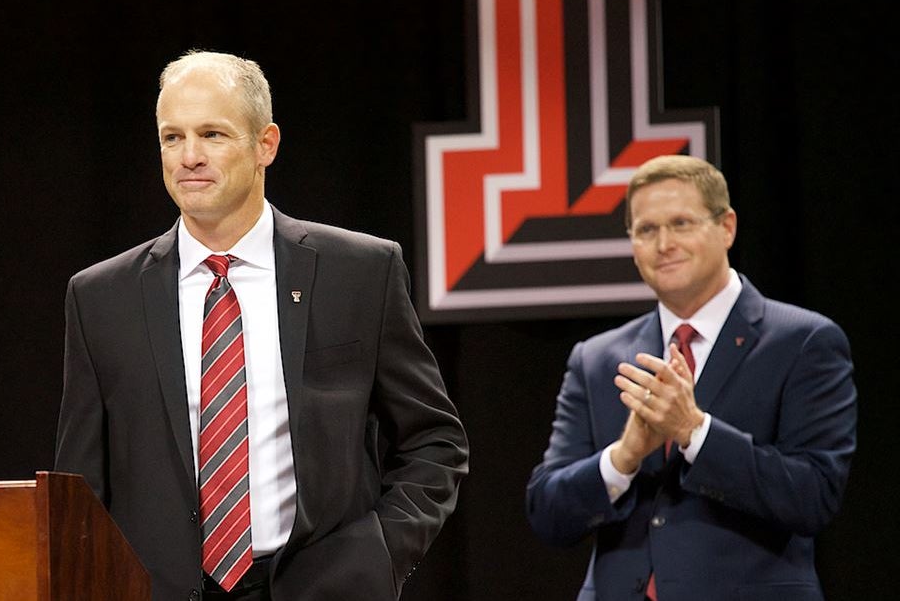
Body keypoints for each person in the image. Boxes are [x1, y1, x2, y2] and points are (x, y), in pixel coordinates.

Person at [54, 50, 469, 601]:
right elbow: (81, 489)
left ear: (265, 145)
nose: (189, 157)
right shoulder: (101, 297)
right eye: (172, 137)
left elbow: (433, 438)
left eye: (213, 134)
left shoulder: (360, 271)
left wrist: (379, 556)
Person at [526, 154, 856, 600]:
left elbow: (813, 496)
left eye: (681, 223)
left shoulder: (803, 342)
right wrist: (623, 458)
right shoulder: (598, 359)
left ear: (727, 228)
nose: (664, 244)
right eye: (646, 230)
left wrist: (694, 431)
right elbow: (548, 514)